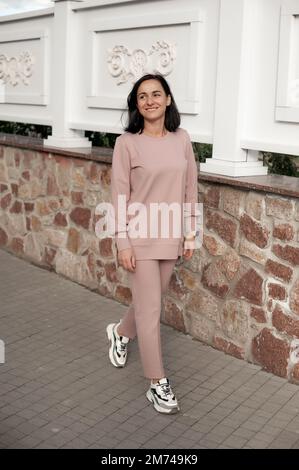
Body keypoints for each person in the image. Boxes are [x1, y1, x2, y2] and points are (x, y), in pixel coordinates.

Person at [106, 73, 198, 414]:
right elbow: (119, 196)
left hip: (171, 234)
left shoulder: (182, 139)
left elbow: (190, 189)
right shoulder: (126, 143)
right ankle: (157, 383)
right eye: (142, 96)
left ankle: (119, 333)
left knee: (149, 301)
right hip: (139, 236)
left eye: (156, 94)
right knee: (151, 309)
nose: (150, 100)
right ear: (136, 104)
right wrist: (123, 242)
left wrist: (190, 233)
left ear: (168, 99)